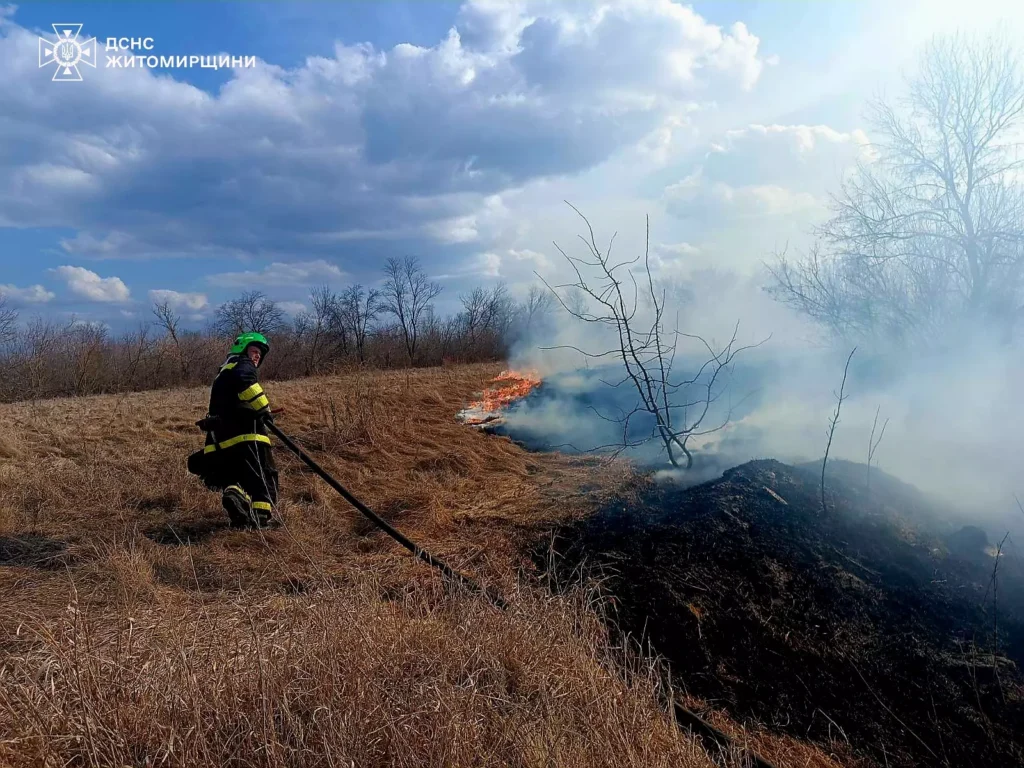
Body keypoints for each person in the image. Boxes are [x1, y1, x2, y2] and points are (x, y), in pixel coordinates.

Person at [197, 332, 280, 529]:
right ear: (242, 349)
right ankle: (260, 518)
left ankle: (239, 510)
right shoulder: (243, 364)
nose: (257, 356)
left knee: (236, 477)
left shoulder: (223, 372)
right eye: (254, 351)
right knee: (264, 474)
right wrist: (264, 409)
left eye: (260, 354)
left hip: (221, 438)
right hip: (247, 433)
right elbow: (245, 380)